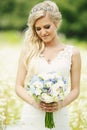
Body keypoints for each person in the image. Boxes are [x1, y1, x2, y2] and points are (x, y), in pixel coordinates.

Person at [11, 0, 81, 130]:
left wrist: (61, 104)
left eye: (47, 27)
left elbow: (75, 89)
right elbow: (18, 86)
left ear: (56, 24)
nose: (43, 32)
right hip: (32, 114)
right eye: (38, 29)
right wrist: (34, 103)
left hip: (59, 115)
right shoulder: (29, 51)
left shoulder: (73, 53)